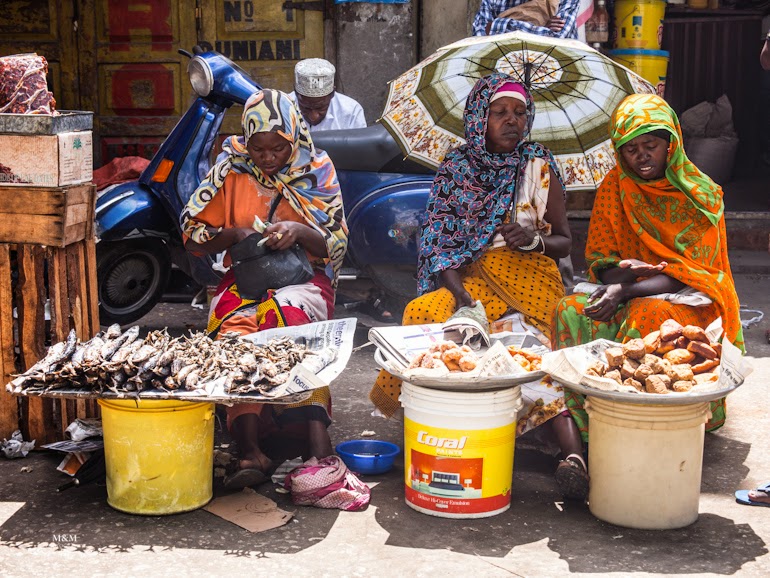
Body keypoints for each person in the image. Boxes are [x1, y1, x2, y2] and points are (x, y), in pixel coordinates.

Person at [369, 73, 590, 500]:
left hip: (531, 278)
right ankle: (424, 424)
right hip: (470, 280)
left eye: (520, 112)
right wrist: (463, 298)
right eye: (499, 112)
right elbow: (439, 245)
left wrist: (534, 241)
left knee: (533, 349)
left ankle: (572, 457)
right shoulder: (457, 168)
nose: (512, 120)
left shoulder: (538, 164)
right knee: (424, 314)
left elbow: (565, 240)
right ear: (478, 119)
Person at [180, 89, 348, 490]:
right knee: (236, 332)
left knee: (290, 323)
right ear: (246, 141)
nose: (268, 158)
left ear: (294, 138)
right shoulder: (230, 170)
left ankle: (316, 440)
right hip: (246, 277)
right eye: (259, 149)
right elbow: (192, 238)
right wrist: (233, 234)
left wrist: (298, 231)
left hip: (305, 277)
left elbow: (336, 243)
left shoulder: (317, 169)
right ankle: (249, 447)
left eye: (278, 148)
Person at [552, 93, 744, 443]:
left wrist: (629, 288)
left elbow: (695, 273)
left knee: (650, 313)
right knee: (570, 309)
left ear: (671, 143)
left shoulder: (700, 194)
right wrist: (627, 274)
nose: (641, 155)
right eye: (630, 149)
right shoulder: (615, 186)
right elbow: (602, 262)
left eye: (650, 145)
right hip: (630, 287)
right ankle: (584, 425)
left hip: (692, 300)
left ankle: (641, 430)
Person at [289, 58, 366, 133]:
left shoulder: (351, 112)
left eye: (320, 108)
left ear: (332, 94)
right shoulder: (283, 109)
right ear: (296, 93)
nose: (313, 117)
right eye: (306, 108)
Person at [472, 0, 582, 39]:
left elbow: (557, 37)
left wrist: (496, 26)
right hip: (504, 66)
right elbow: (480, 38)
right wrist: (541, 29)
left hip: (552, 68)